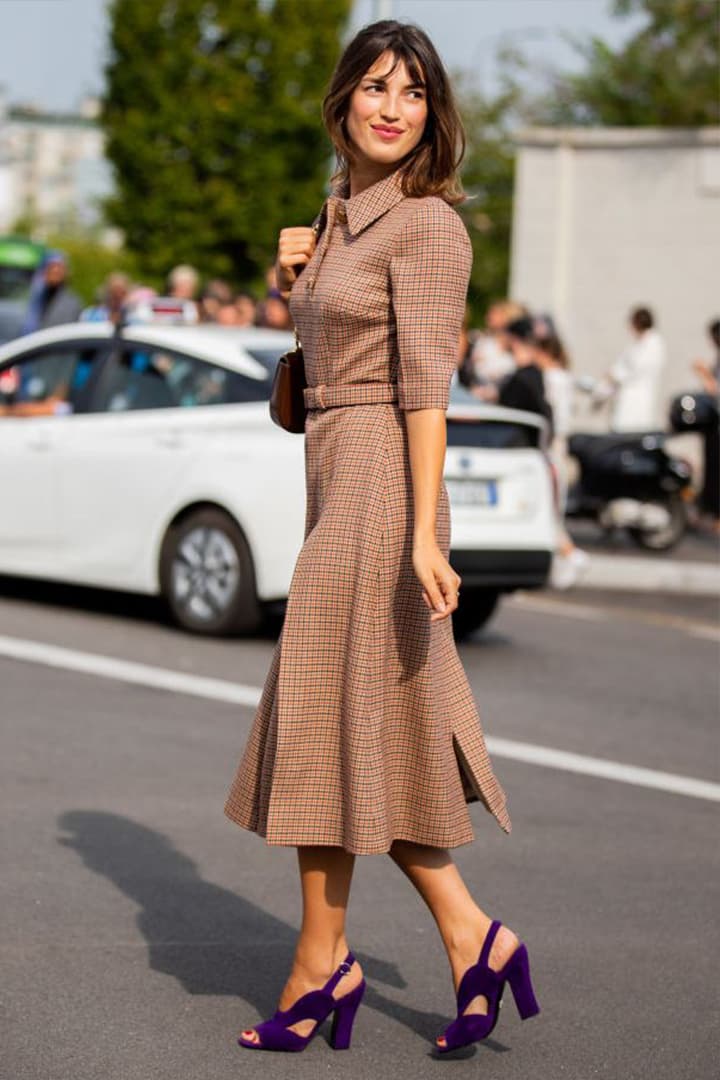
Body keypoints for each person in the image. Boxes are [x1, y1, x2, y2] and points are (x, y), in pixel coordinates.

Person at [223, 19, 539, 1057]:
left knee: (326, 715)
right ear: (344, 101)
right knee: (360, 729)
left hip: (381, 494)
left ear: (431, 113)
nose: (392, 105)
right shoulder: (335, 220)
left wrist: (423, 533)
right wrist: (292, 288)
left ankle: (324, 965)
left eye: (412, 90)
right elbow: (310, 391)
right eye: (374, 86)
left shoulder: (428, 229)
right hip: (334, 471)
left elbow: (424, 392)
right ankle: (468, 937)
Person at [600, 306, 666, 431]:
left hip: (637, 397)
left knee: (632, 431)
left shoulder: (652, 344)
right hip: (628, 396)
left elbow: (637, 370)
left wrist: (615, 375)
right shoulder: (638, 343)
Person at [691, 318, 720, 534]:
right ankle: (706, 511)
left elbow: (715, 389)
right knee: (711, 470)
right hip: (713, 423)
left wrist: (704, 372)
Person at [21, 251, 82, 334]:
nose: (55, 271)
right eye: (51, 268)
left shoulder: (72, 302)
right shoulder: (34, 297)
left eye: (59, 268)